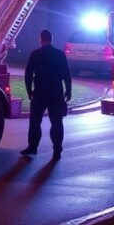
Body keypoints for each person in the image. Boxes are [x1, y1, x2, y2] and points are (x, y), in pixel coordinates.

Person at [21, 29, 72, 161]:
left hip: (40, 92)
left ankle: (32, 147)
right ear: (51, 39)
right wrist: (68, 91)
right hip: (56, 92)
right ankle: (57, 150)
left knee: (35, 121)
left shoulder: (36, 54)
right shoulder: (60, 54)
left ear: (41, 39)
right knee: (57, 122)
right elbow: (67, 74)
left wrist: (29, 90)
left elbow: (28, 74)